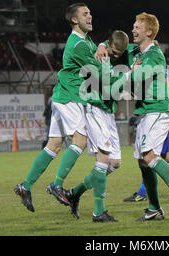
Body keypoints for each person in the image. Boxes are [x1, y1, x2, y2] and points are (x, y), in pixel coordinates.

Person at [14, 3, 94, 212]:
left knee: (54, 145)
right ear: (74, 20)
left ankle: (26, 185)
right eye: (85, 14)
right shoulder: (79, 44)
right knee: (81, 140)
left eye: (90, 13)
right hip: (71, 97)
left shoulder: (84, 40)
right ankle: (57, 184)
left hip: (60, 97)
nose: (90, 16)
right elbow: (100, 71)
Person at [56, 30, 133, 222]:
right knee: (104, 157)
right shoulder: (99, 58)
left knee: (114, 163)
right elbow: (107, 86)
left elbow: (138, 47)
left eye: (118, 54)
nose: (115, 56)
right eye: (113, 52)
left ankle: (75, 193)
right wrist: (130, 73)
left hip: (108, 111)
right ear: (107, 44)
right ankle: (99, 211)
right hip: (95, 107)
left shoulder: (117, 51)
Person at [126, 12, 169, 221]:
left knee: (150, 156)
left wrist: (129, 73)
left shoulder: (154, 54)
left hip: (158, 110)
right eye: (133, 26)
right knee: (142, 160)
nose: (133, 30)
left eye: (137, 27)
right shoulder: (139, 52)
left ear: (149, 32)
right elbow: (118, 46)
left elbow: (137, 78)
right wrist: (103, 46)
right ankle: (154, 208)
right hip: (147, 112)